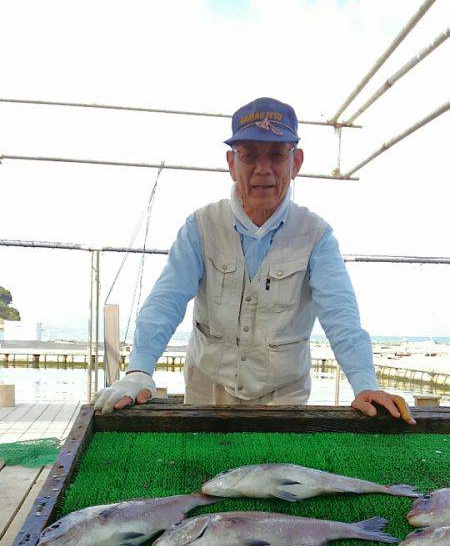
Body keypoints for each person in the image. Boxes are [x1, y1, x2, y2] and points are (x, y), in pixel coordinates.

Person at [93, 97, 414, 424]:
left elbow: (341, 313)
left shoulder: (316, 235)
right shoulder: (200, 227)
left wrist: (365, 384)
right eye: (249, 155)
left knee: (279, 473)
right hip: (208, 387)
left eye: (276, 154)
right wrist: (139, 369)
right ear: (232, 163)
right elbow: (166, 300)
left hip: (283, 395)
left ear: (296, 162)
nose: (263, 168)